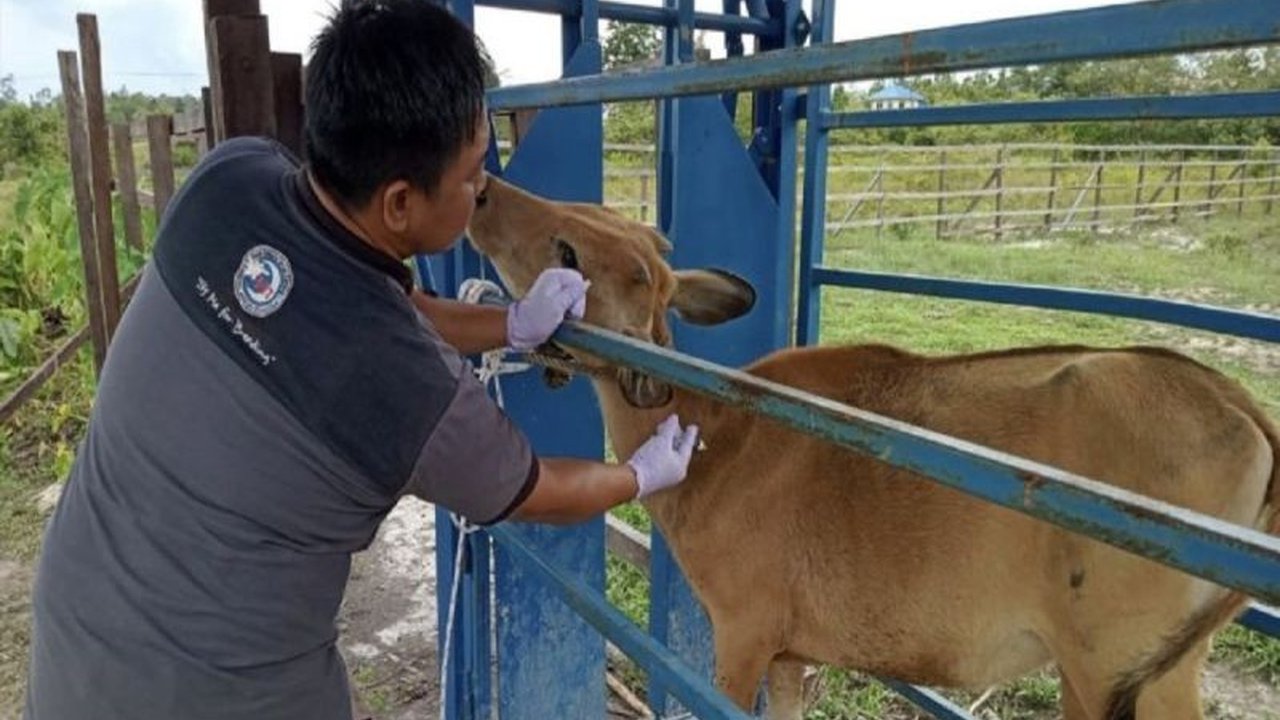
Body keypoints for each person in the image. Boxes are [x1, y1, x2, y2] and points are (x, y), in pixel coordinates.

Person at [23, 1, 698, 718]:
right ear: (401, 202)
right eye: (472, 177)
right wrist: (638, 474)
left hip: (73, 633)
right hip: (230, 696)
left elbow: (366, 308)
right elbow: (543, 491)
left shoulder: (227, 181)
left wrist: (511, 324)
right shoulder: (416, 394)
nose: (482, 191)